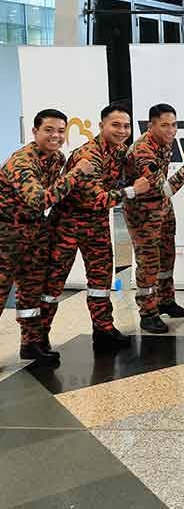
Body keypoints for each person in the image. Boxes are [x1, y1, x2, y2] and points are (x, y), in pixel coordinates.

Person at [45, 103, 150, 349]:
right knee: (53, 285)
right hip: (67, 227)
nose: (122, 131)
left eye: (125, 126)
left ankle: (103, 330)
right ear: (102, 125)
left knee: (101, 281)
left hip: (96, 225)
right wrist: (133, 191)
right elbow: (97, 199)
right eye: (115, 125)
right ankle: (37, 339)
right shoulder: (88, 155)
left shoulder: (119, 150)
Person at [0, 109, 93, 363]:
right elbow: (40, 199)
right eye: (49, 130)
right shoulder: (22, 162)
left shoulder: (56, 159)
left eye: (61, 131)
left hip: (35, 232)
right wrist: (76, 174)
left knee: (31, 293)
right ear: (35, 132)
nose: (55, 136)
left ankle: (31, 344)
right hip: (6, 233)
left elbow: (55, 194)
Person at [124, 103, 184, 334]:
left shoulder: (163, 143)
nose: (171, 130)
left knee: (166, 258)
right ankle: (147, 313)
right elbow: (164, 189)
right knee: (148, 263)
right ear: (151, 125)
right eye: (164, 125)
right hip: (143, 214)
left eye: (173, 125)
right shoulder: (142, 151)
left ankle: (166, 301)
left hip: (163, 211)